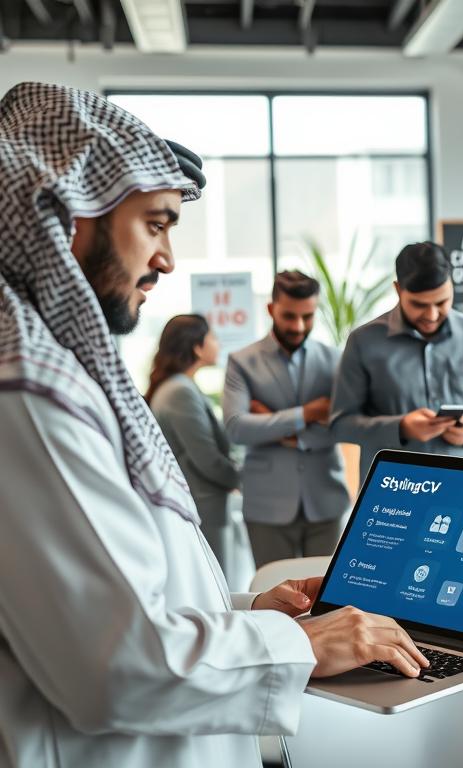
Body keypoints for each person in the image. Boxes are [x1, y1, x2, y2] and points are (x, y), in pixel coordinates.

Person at [0, 82, 427, 767]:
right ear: (65, 210)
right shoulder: (29, 394)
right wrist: (308, 644)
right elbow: (121, 664)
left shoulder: (57, 373)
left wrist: (251, 612)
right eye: (157, 223)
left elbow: (125, 599)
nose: (167, 258)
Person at [330, 241, 463, 480]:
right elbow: (341, 424)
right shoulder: (362, 341)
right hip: (393, 487)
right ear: (398, 289)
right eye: (419, 305)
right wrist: (400, 428)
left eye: (442, 302)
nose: (432, 315)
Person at [222, 270, 351, 567]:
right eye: (289, 316)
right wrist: (308, 413)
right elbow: (236, 427)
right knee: (272, 600)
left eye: (307, 316)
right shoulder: (242, 362)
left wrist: (275, 428)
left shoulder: (336, 360)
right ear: (270, 309)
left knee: (325, 600)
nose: (298, 326)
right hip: (266, 505)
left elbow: (346, 426)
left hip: (326, 501)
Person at [147, 314, 240, 570]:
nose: (218, 344)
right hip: (203, 506)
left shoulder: (180, 386)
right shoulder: (180, 391)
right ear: (197, 347)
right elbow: (207, 459)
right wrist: (243, 479)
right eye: (213, 337)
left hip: (202, 504)